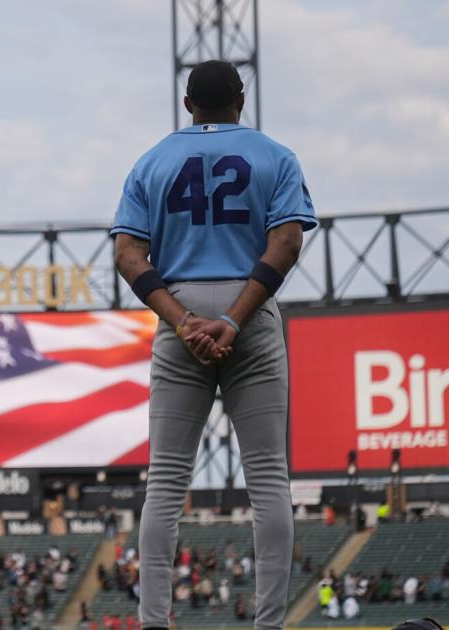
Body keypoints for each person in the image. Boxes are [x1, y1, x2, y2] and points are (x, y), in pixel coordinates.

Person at [111, 60, 315, 630]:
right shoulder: (275, 155)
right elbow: (286, 245)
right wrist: (232, 318)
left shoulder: (152, 160)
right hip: (248, 310)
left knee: (167, 482)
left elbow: (129, 256)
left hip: (180, 312)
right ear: (242, 101)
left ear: (186, 104)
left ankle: (155, 622)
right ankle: (268, 623)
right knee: (269, 477)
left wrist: (184, 322)